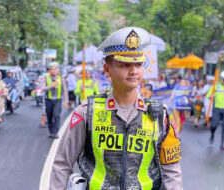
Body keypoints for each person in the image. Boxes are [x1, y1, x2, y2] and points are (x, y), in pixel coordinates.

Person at [49, 27, 182, 189]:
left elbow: (172, 171)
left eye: (139, 64)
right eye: (125, 65)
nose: (134, 71)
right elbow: (62, 165)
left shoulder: (160, 116)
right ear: (107, 69)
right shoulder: (87, 112)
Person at [42, 62, 68, 138]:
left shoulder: (61, 78)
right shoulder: (45, 78)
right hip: (48, 100)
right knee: (49, 116)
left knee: (56, 115)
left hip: (58, 100)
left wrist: (66, 101)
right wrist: (51, 86)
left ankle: (55, 132)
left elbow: (64, 90)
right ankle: (51, 131)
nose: (54, 71)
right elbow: (43, 88)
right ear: (49, 70)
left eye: (56, 69)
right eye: (52, 69)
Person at [207, 71, 224, 150]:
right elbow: (208, 95)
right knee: (214, 125)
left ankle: (222, 144)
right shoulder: (215, 86)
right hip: (216, 109)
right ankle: (212, 134)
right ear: (221, 79)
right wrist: (211, 95)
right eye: (223, 79)